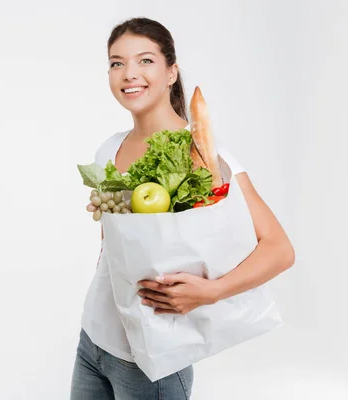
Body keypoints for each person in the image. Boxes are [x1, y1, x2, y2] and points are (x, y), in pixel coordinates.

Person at [70, 17, 295, 400]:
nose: (129, 74)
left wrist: (212, 291)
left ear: (171, 71)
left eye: (145, 61)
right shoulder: (108, 150)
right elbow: (115, 247)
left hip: (154, 362)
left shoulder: (206, 156)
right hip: (93, 341)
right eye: (116, 63)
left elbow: (279, 248)